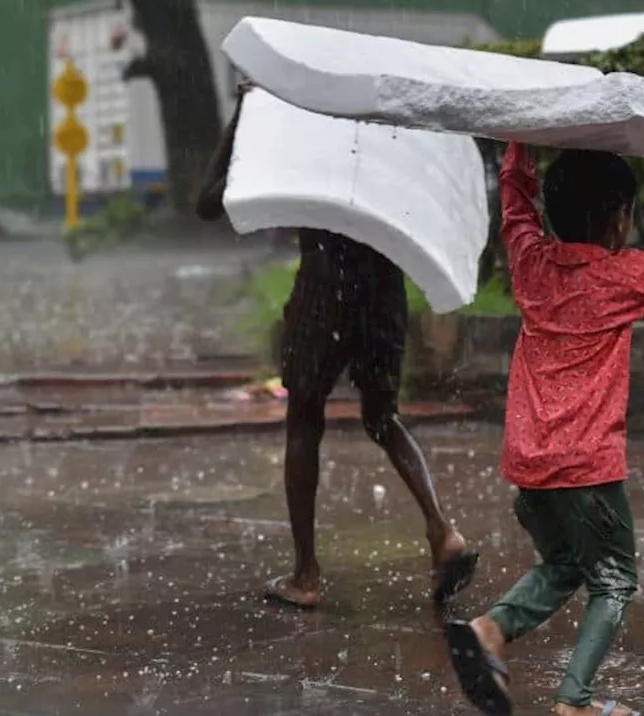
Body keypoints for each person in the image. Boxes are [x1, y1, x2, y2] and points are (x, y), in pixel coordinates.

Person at [442, 103, 644, 716]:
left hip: (529, 468)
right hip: (586, 470)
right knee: (613, 580)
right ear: (619, 221)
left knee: (563, 564)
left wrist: (520, 134)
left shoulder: (531, 264)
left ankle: (488, 632)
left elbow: (515, 203)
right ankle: (574, 703)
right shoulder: (621, 279)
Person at [194, 82, 478, 608]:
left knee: (305, 421)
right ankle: (442, 530)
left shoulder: (300, 143)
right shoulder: (386, 145)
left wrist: (243, 113)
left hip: (324, 290)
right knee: (382, 417)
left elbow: (209, 201)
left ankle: (306, 575)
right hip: (382, 293)